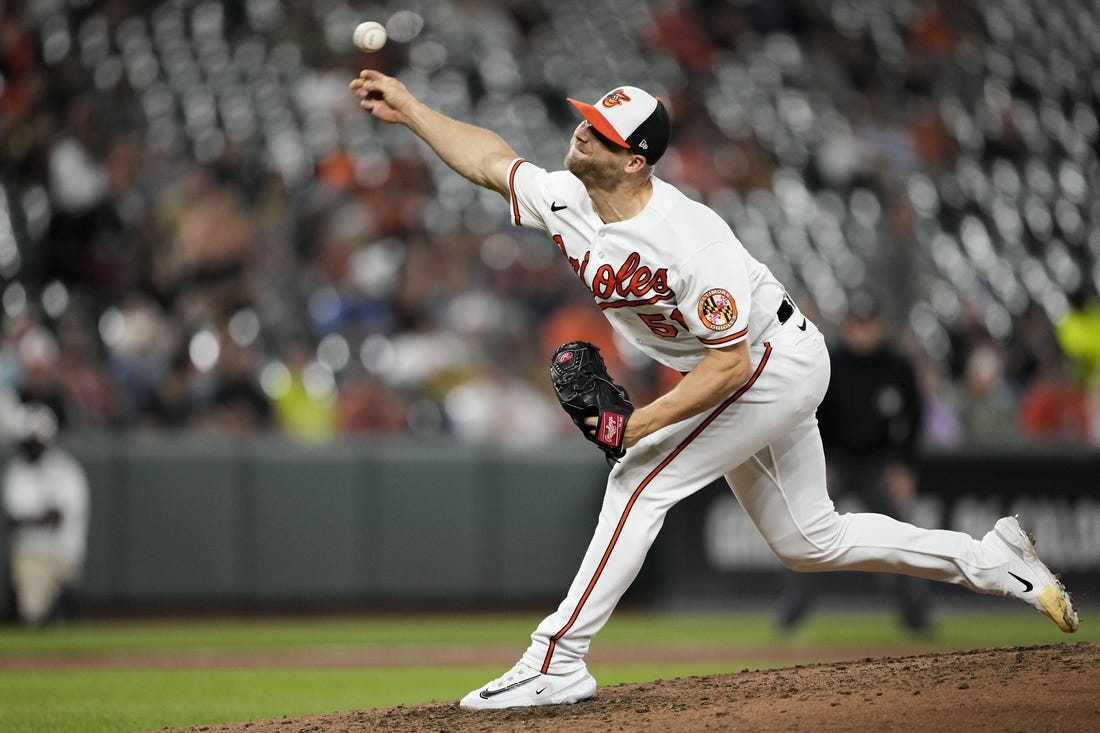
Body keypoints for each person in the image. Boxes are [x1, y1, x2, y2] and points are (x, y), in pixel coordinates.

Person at [349, 70, 1079, 709]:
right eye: (588, 118)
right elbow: (490, 160)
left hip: (770, 361)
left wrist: (637, 426)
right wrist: (412, 107)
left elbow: (729, 365)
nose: (582, 132)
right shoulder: (567, 197)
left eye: (601, 131)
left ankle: (554, 660)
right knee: (808, 540)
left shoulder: (691, 237)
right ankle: (993, 557)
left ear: (635, 160)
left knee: (638, 480)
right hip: (742, 364)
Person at [776, 292, 932, 634]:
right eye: (855, 325)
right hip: (837, 464)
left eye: (867, 324)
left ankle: (917, 618)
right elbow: (810, 416)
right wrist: (820, 464)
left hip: (881, 465)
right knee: (806, 535)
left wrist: (906, 467)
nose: (861, 332)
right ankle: (790, 616)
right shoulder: (830, 361)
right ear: (846, 326)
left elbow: (916, 420)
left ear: (881, 326)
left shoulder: (898, 365)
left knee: (902, 537)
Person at [2, 404, 90, 625]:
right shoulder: (16, 472)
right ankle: (58, 605)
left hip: (64, 553)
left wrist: (37, 518)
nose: (32, 444)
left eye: (36, 439)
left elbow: (59, 518)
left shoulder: (67, 470)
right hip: (30, 554)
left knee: (42, 604)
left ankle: (63, 599)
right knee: (32, 614)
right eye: (28, 439)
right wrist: (42, 516)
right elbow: (15, 520)